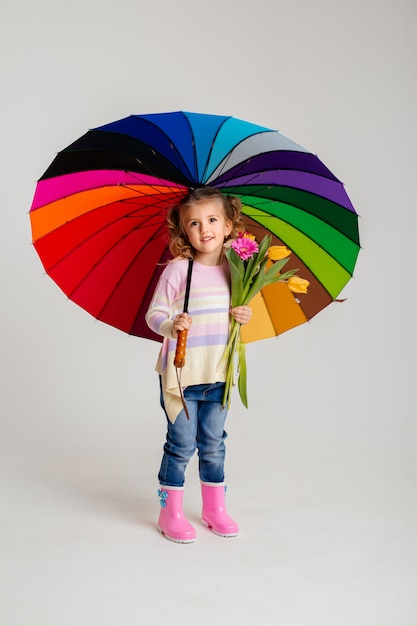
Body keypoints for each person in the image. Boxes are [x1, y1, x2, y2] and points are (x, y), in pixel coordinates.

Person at [145, 187, 252, 543]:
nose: (203, 228)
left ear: (228, 226)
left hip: (218, 373)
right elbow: (154, 313)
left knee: (213, 443)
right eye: (194, 222)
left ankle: (214, 509)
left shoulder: (237, 270)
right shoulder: (179, 270)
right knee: (181, 444)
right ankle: (169, 512)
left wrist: (244, 313)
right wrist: (170, 324)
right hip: (182, 374)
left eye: (211, 220)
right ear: (183, 230)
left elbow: (238, 319)